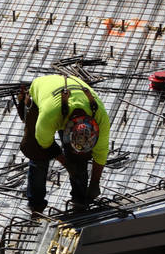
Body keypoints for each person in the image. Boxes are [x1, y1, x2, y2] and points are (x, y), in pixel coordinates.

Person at [18, 75, 110, 214]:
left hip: (70, 93)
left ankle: (80, 201)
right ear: (67, 132)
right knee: (38, 155)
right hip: (42, 92)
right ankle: (36, 206)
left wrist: (95, 183)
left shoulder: (100, 117)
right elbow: (45, 143)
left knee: (80, 158)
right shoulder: (49, 116)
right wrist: (67, 165)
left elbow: (101, 154)